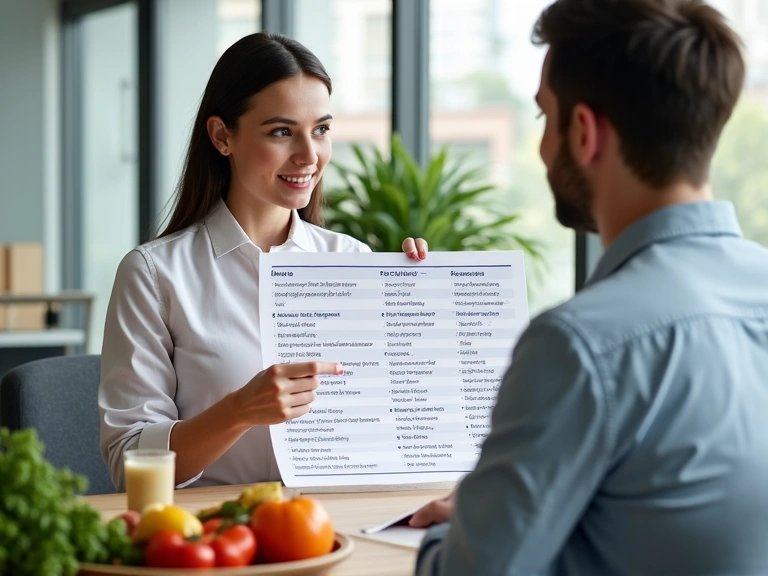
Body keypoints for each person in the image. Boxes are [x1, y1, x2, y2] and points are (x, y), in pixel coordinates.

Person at [412, 1, 768, 575]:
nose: (542, 148)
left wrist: (467, 526)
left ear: (583, 132)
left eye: (542, 119)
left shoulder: (581, 344)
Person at [99, 32, 427, 490]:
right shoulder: (154, 275)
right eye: (281, 131)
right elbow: (130, 462)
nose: (309, 156)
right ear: (222, 136)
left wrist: (425, 305)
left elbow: (404, 419)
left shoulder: (354, 263)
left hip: (335, 526)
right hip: (215, 538)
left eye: (321, 130)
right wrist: (239, 411)